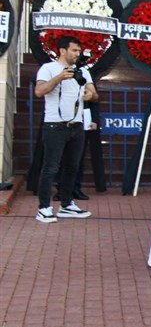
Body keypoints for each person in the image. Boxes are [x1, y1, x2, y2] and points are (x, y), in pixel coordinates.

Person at [33, 35, 96, 223]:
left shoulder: (82, 71)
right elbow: (39, 91)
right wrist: (60, 77)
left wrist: (89, 95)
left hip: (76, 126)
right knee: (51, 168)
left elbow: (94, 95)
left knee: (72, 168)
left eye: (79, 51)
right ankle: (44, 208)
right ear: (62, 50)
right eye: (74, 50)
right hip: (55, 126)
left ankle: (67, 205)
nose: (77, 54)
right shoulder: (49, 68)